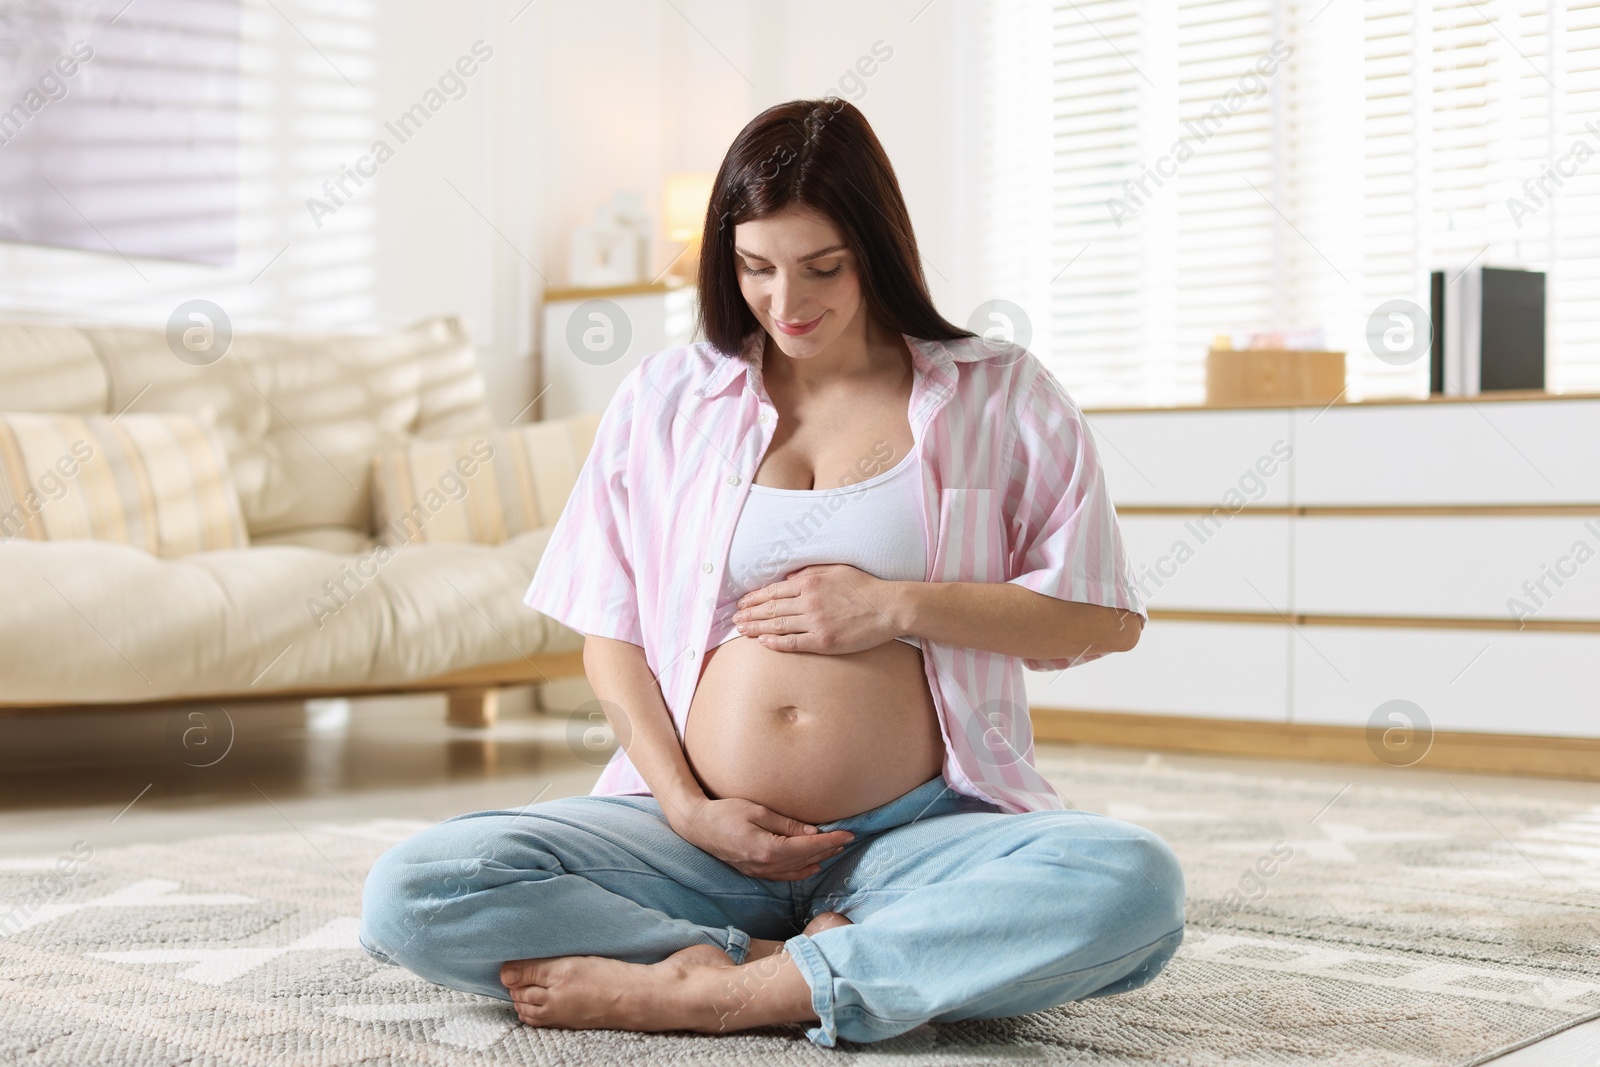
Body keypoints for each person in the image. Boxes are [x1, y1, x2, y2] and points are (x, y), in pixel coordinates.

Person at [360, 97, 1186, 1049]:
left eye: (822, 267)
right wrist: (688, 807)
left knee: (1133, 884)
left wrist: (894, 606)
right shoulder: (671, 396)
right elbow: (610, 628)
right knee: (416, 891)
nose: (788, 303)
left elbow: (1098, 616)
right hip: (691, 839)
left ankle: (728, 990)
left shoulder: (998, 393)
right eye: (757, 268)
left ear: (877, 248)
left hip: (916, 837)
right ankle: (795, 961)